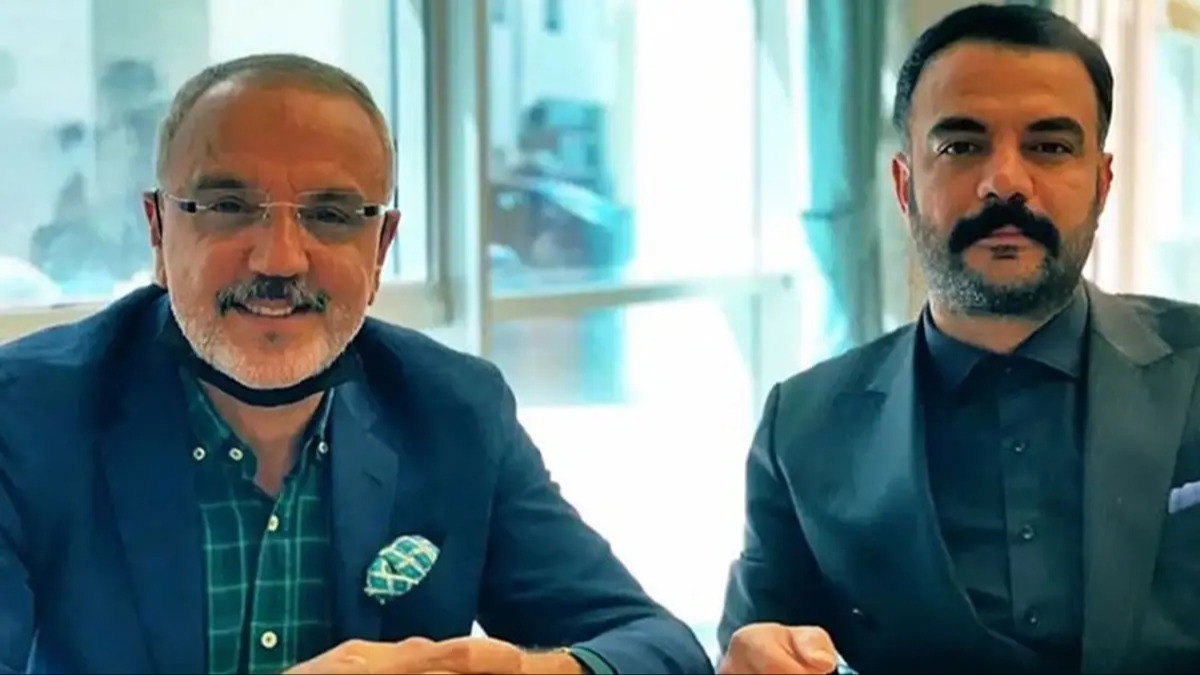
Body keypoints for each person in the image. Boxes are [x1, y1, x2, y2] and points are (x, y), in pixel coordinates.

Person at [0, 54, 711, 675]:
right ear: (159, 231)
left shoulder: (454, 409)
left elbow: (658, 645)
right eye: (228, 205)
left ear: (381, 248)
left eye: (332, 215)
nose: (280, 259)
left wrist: (539, 671)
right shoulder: (27, 414)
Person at [718, 4, 1200, 674]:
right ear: (904, 184)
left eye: (1050, 147)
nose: (1005, 183)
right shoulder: (802, 429)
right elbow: (755, 648)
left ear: (1102, 182)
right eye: (961, 147)